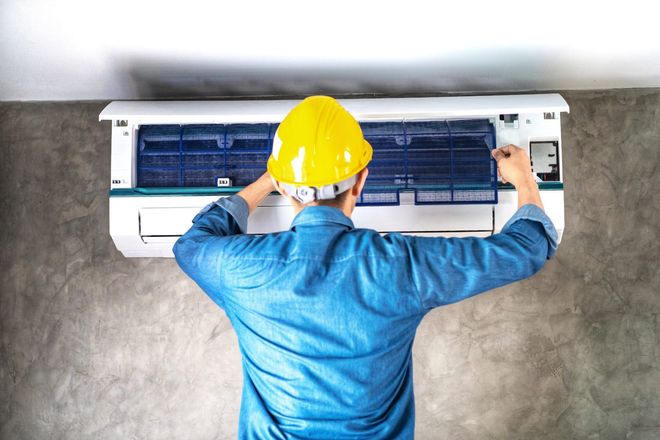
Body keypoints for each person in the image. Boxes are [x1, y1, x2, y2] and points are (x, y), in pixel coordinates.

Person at [174, 96, 558, 439]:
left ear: (284, 185)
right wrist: (523, 177)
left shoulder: (240, 268)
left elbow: (191, 245)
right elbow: (526, 249)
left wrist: (262, 186)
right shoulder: (401, 266)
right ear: (360, 182)